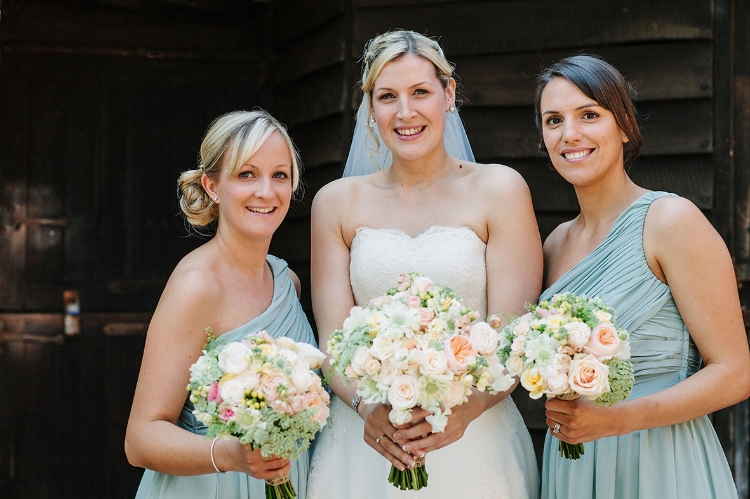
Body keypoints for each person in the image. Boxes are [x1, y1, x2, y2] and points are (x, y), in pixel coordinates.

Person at [306, 30, 541, 498]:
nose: (405, 113)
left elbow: (514, 334)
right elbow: (332, 344)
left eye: (420, 93)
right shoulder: (335, 203)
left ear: (449, 94)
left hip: (475, 435)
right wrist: (368, 411)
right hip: (366, 439)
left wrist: (461, 415)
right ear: (370, 108)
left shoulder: (500, 190)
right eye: (387, 97)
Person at [535, 54, 750, 499]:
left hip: (658, 460)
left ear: (625, 126)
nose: (569, 134)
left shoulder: (670, 220)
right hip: (574, 463)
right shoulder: (554, 244)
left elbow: (736, 372)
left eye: (589, 115)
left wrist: (617, 420)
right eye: (553, 120)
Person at [124, 110, 316, 498]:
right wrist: (230, 455)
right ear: (212, 186)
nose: (266, 191)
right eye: (247, 174)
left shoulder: (288, 283)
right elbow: (140, 439)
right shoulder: (197, 286)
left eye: (279, 174)